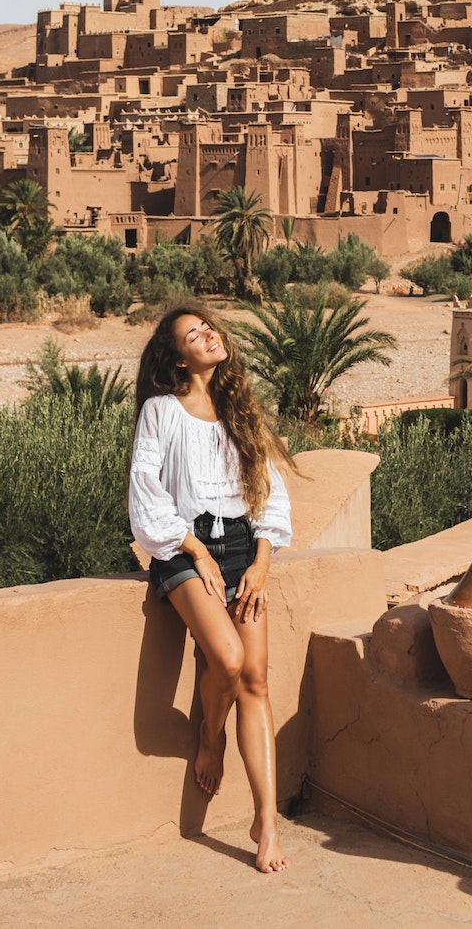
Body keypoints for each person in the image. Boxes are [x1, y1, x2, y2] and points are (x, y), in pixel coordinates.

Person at [128, 305, 296, 873]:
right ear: (179, 357)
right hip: (182, 546)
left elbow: (271, 494)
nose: (209, 334)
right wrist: (195, 550)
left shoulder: (240, 411)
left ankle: (265, 822)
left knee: (255, 678)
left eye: (210, 327)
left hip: (245, 547)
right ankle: (209, 733)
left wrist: (261, 563)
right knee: (225, 660)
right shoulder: (160, 412)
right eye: (194, 333)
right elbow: (146, 493)